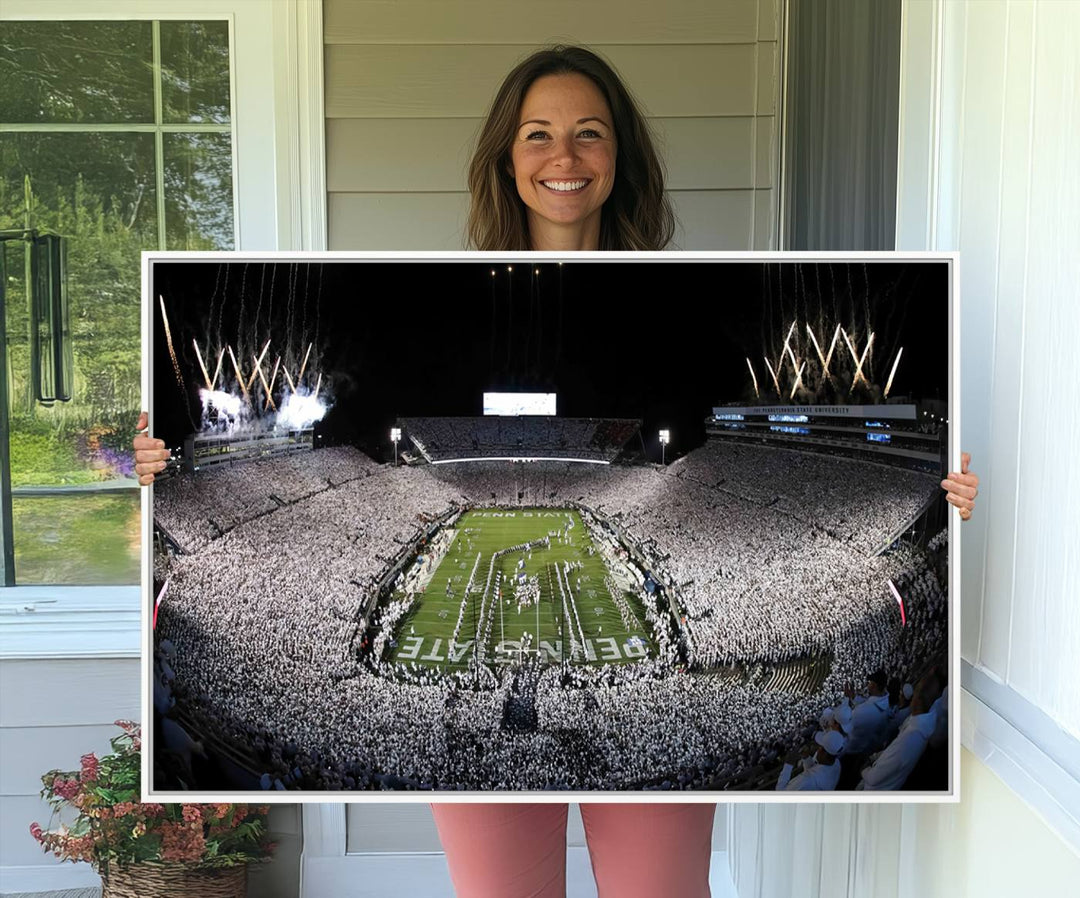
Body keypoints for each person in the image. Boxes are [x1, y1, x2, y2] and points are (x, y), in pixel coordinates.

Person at [132, 43, 980, 898]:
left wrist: (942, 496)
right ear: (507, 157)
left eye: (589, 134)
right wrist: (156, 468)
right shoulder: (432, 282)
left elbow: (692, 427)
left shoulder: (679, 291)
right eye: (537, 134)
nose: (563, 157)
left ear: (620, 158)